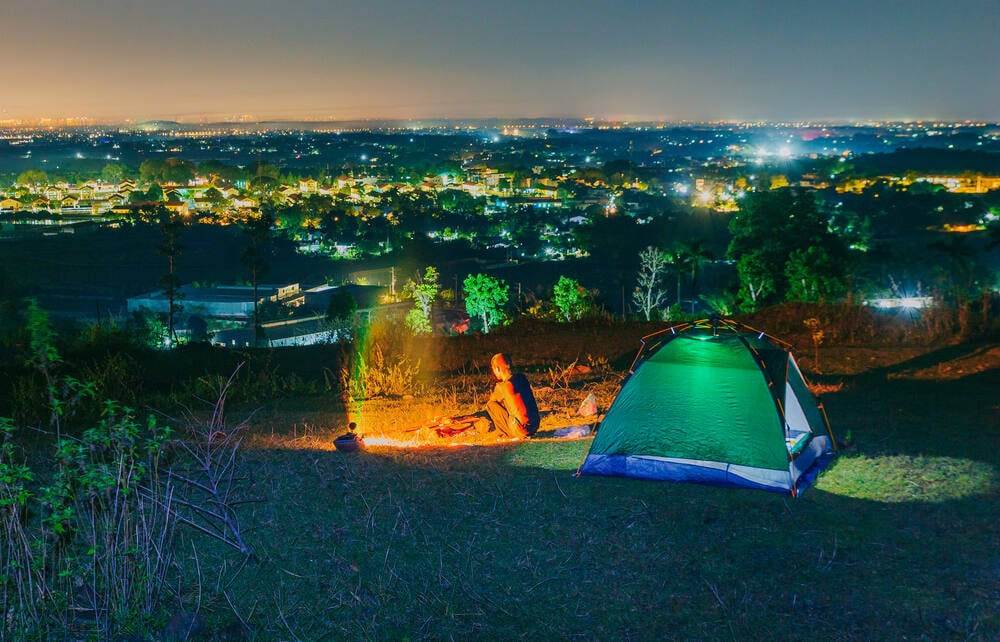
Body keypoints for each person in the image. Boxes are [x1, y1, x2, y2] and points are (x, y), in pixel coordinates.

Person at [485, 353, 540, 439]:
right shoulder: (522, 378)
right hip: (535, 425)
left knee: (490, 405)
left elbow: (493, 399)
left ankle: (503, 433)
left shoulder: (503, 386)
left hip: (521, 430)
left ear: (497, 369)